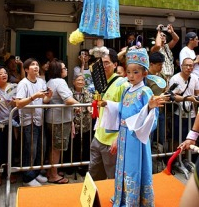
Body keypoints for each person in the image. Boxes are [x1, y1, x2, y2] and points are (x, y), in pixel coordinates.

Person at [101, 48, 165, 206]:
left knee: (133, 168)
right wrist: (107, 104)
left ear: (144, 73)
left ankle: (133, 201)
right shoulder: (126, 91)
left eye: (135, 72)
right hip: (124, 135)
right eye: (128, 72)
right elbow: (122, 111)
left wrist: (150, 108)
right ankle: (121, 197)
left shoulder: (145, 91)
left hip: (136, 137)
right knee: (122, 167)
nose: (130, 75)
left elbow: (152, 119)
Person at [89, 48, 129, 181]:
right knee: (94, 175)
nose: (103, 66)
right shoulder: (100, 83)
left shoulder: (123, 84)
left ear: (115, 64)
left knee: (114, 177)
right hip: (98, 135)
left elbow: (128, 111)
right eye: (101, 63)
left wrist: (118, 138)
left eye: (107, 63)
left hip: (112, 139)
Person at [15, 58, 52, 187]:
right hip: (28, 121)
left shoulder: (41, 82)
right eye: (32, 65)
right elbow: (18, 103)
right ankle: (27, 177)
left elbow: (44, 101)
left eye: (37, 64)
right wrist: (33, 97)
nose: (36, 67)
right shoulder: (23, 83)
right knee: (30, 150)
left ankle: (35, 174)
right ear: (26, 69)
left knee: (41, 148)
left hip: (40, 119)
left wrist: (49, 96)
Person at [45, 59, 79, 184]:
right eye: (64, 68)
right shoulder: (60, 82)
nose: (66, 70)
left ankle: (51, 171)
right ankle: (53, 175)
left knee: (53, 146)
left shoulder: (50, 81)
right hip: (59, 120)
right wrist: (82, 104)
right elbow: (68, 100)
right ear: (58, 70)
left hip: (53, 118)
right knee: (57, 148)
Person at [169, 57, 199, 168]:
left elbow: (197, 94)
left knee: (189, 138)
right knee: (177, 137)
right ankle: (176, 159)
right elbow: (171, 96)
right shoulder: (175, 78)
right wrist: (187, 99)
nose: (189, 68)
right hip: (178, 112)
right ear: (181, 66)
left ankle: (187, 160)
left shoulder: (195, 78)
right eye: (186, 65)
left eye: (191, 65)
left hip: (192, 113)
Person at [0, 66, 18, 186]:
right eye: (0, 73)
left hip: (12, 123)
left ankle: (10, 172)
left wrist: (15, 101)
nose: (4, 75)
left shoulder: (13, 87)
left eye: (5, 73)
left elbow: (19, 102)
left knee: (11, 148)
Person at [69, 73, 93, 176]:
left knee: (86, 145)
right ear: (74, 82)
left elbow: (89, 104)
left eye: (82, 80)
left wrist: (90, 109)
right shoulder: (69, 92)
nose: (80, 82)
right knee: (74, 145)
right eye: (78, 80)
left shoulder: (87, 92)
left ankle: (84, 167)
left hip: (85, 123)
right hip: (73, 124)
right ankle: (71, 167)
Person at [146, 52, 167, 147]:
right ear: (151, 64)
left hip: (161, 111)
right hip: (149, 112)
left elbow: (166, 89)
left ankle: (158, 160)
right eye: (159, 65)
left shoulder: (162, 76)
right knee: (149, 138)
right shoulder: (145, 77)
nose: (161, 67)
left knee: (160, 138)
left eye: (162, 64)